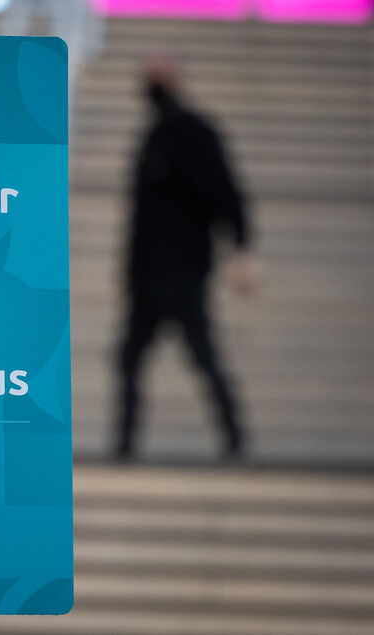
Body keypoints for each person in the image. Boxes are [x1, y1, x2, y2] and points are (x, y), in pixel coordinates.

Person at [115, 58, 258, 462]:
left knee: (205, 357)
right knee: (129, 359)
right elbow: (141, 214)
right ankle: (125, 445)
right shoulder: (153, 136)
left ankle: (235, 441)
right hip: (148, 274)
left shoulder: (194, 133)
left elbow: (227, 194)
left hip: (183, 272)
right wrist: (129, 266)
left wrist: (242, 249)